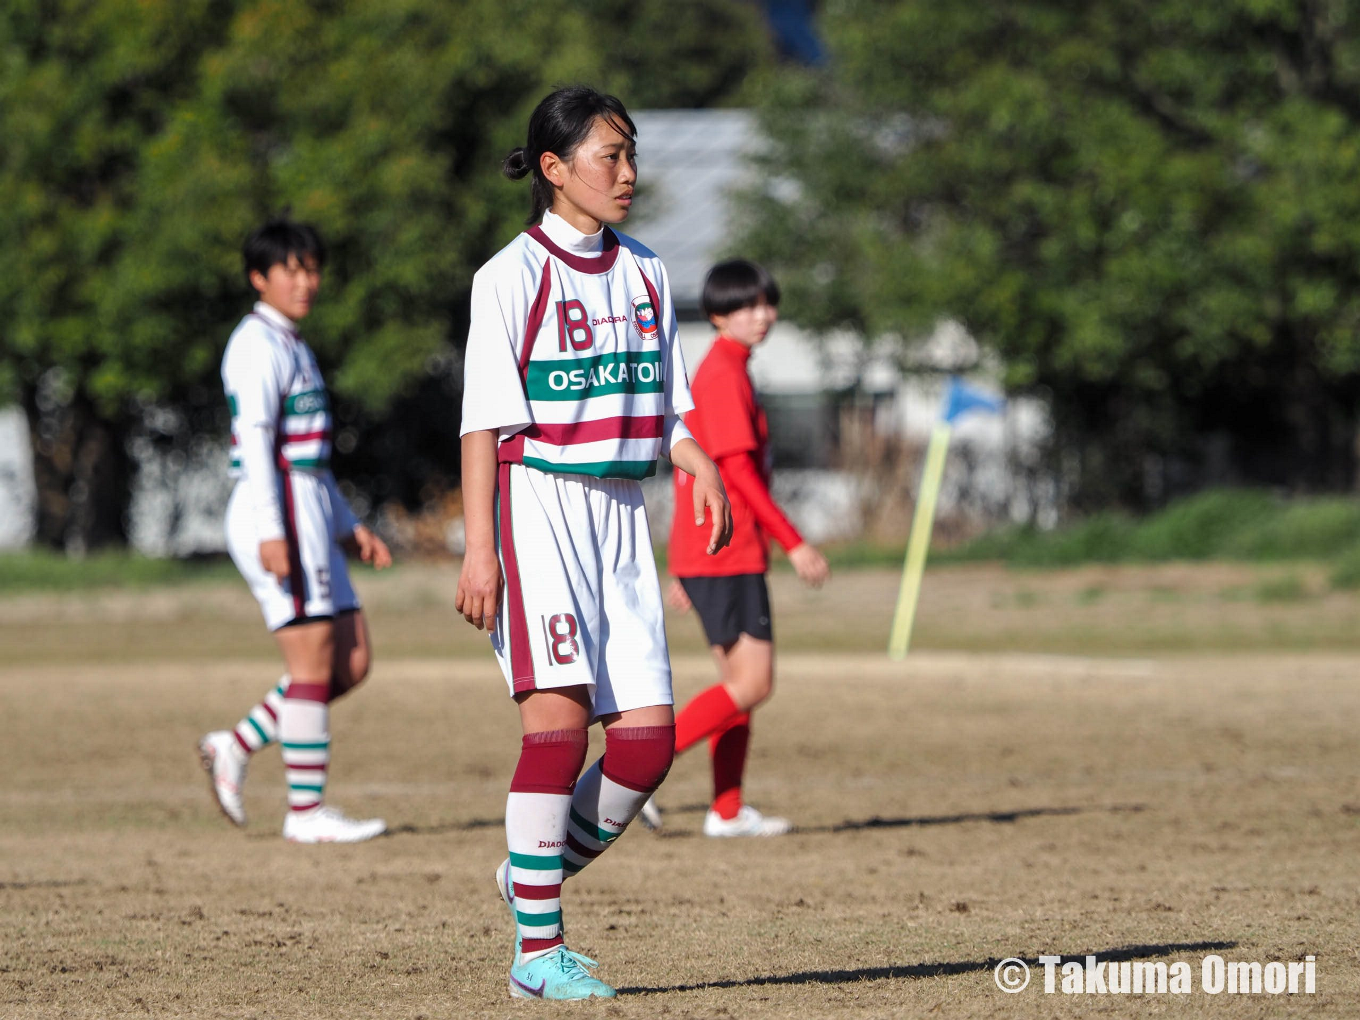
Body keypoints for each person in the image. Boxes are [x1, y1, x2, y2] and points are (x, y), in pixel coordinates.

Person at [457, 86, 732, 1001]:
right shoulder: (510, 276)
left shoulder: (647, 271)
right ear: (552, 168)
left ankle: (528, 879)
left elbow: (671, 411)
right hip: (536, 507)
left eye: (631, 154)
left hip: (621, 517)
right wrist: (478, 551)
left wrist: (702, 466)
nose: (628, 172)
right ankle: (538, 957)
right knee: (560, 726)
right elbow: (482, 427)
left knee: (648, 746)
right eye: (608, 155)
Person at [198, 219, 392, 845]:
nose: (306, 281)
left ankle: (236, 743)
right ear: (260, 277)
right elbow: (256, 444)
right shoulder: (255, 344)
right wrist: (270, 530)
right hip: (274, 506)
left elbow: (309, 455)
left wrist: (347, 524)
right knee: (310, 661)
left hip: (307, 503)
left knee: (350, 658)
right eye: (292, 270)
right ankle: (305, 812)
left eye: (312, 269)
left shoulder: (294, 342)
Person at [651, 258, 830, 838]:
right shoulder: (724, 370)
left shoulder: (726, 368)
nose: (764, 315)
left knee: (738, 691)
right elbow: (737, 474)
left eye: (768, 303)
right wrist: (796, 542)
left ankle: (726, 810)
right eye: (749, 306)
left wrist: (685, 560)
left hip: (709, 552)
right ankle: (635, 773)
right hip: (729, 552)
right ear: (719, 314)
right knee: (753, 684)